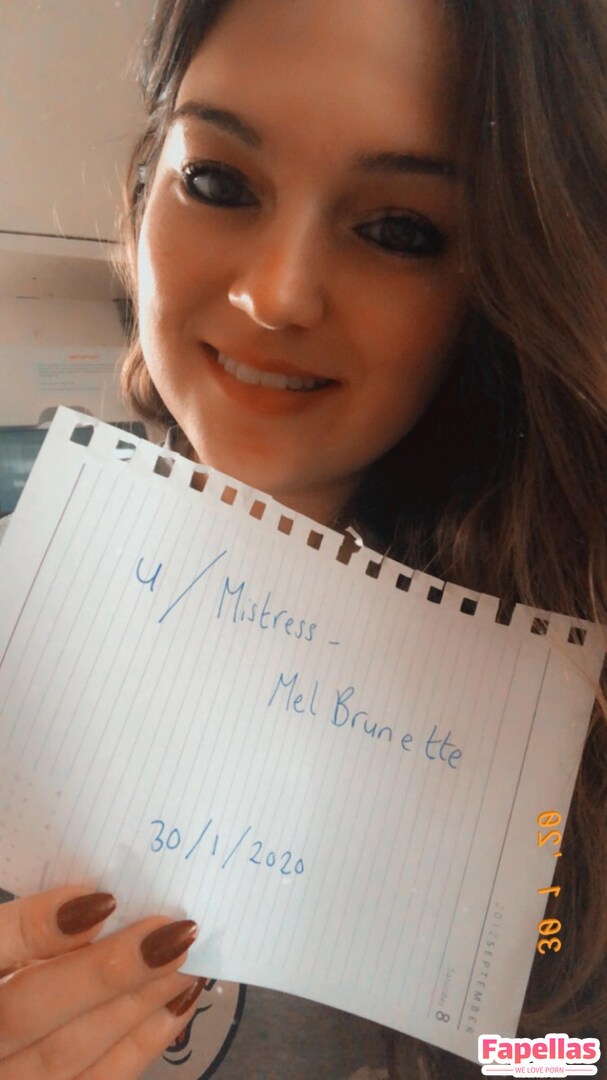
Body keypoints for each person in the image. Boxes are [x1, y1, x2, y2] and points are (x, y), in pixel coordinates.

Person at [0, 0, 605, 1076]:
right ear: (145, 186)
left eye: (399, 230)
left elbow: (565, 1056)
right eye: (218, 181)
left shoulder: (566, 736)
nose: (272, 295)